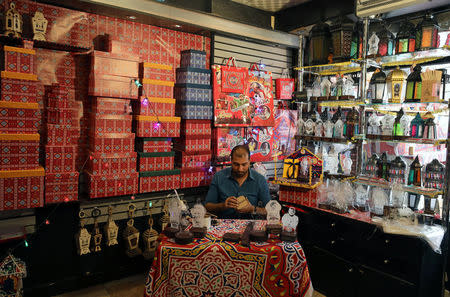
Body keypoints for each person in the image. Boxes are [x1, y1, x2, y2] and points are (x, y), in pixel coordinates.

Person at [205, 145, 271, 219]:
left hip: (250, 227)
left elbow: (270, 211)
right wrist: (223, 206)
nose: (240, 169)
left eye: (244, 164)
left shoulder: (260, 180)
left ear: (249, 162)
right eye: (236, 164)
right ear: (231, 161)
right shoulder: (219, 177)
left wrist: (252, 209)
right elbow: (208, 206)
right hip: (224, 227)